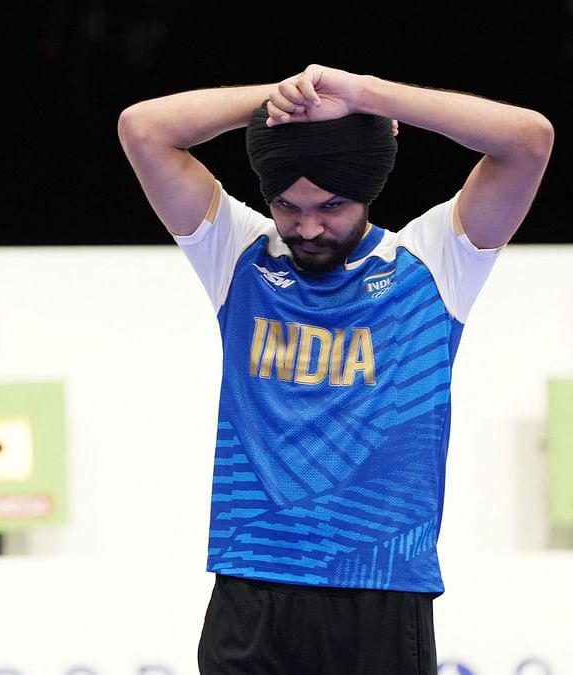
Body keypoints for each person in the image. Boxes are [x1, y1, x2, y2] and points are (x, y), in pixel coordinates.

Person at [118, 65, 552, 674]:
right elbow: (143, 128)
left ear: (367, 193)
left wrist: (365, 97)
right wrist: (276, 99)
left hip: (381, 586)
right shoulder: (238, 259)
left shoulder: (434, 266)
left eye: (332, 205)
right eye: (287, 206)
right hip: (251, 582)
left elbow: (528, 140)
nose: (309, 226)